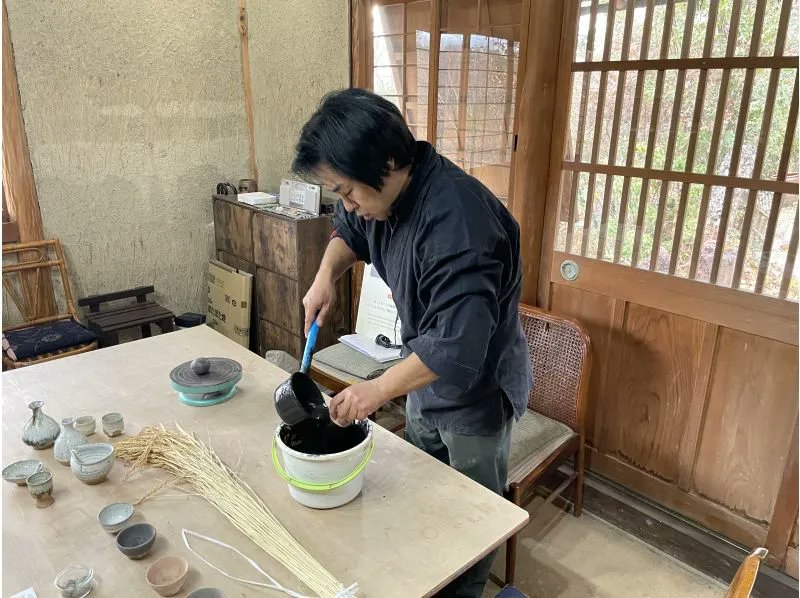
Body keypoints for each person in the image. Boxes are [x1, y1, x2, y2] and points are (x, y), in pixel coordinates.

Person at [293, 88, 532, 597]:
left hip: (476, 392)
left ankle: (464, 590)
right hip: (419, 373)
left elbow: (458, 348)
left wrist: (374, 392)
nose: (348, 204)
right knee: (423, 493)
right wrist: (324, 276)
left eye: (347, 190)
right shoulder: (379, 194)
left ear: (389, 160)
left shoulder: (460, 221)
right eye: (338, 193)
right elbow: (349, 232)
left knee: (470, 514)